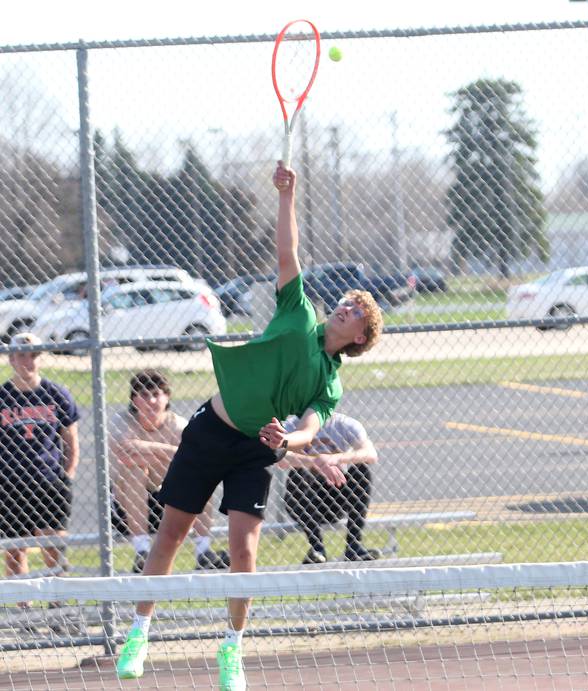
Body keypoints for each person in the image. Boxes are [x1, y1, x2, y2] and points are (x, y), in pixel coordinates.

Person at [116, 161, 384, 691]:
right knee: (169, 534)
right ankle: (140, 631)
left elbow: (310, 426)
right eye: (348, 301)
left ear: (358, 338)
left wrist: (289, 440)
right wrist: (288, 195)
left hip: (255, 451)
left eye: (356, 311)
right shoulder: (298, 311)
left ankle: (232, 650)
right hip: (210, 430)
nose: (347, 305)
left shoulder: (328, 381)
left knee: (244, 551)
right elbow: (289, 254)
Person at [109, 370, 230, 573]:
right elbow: (125, 454)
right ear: (133, 400)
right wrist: (171, 452)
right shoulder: (121, 421)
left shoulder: (179, 425)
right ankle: (142, 551)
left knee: (200, 475)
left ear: (167, 397)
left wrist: (146, 448)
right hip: (125, 509)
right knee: (134, 469)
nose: (151, 401)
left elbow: (195, 458)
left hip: (169, 503)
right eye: (144, 395)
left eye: (156, 394)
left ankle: (204, 551)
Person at [0, 333, 79, 602]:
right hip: (9, 484)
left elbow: (71, 442)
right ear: (11, 358)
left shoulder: (56, 394)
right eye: (22, 354)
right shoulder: (3, 396)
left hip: (48, 481)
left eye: (34, 354)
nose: (28, 360)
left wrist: (67, 476)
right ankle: (24, 614)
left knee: (53, 547)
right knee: (14, 552)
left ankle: (60, 607)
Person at [280, 412, 380, 565]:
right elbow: (279, 457)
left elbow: (370, 454)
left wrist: (336, 458)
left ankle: (354, 546)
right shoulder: (292, 425)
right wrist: (314, 462)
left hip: (337, 493)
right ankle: (317, 549)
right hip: (307, 497)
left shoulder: (344, 424)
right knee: (296, 474)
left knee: (361, 470)